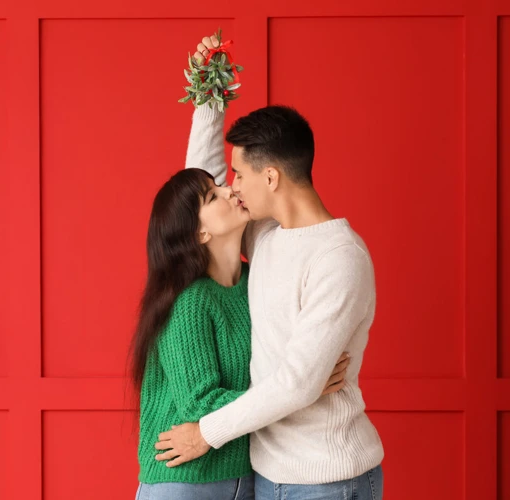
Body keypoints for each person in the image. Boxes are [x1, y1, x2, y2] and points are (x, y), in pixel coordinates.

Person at [153, 34, 385, 500]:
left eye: (240, 176)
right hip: (268, 475)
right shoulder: (267, 237)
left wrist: (205, 433)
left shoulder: (339, 259)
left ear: (271, 177)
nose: (232, 188)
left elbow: (299, 384)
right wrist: (208, 99)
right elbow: (205, 195)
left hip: (326, 478)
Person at [129, 167, 349, 499]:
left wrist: (299, 384)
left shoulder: (254, 279)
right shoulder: (190, 301)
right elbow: (200, 405)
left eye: (222, 185)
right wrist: (304, 389)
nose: (230, 191)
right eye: (212, 196)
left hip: (245, 478)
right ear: (200, 232)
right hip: (183, 480)